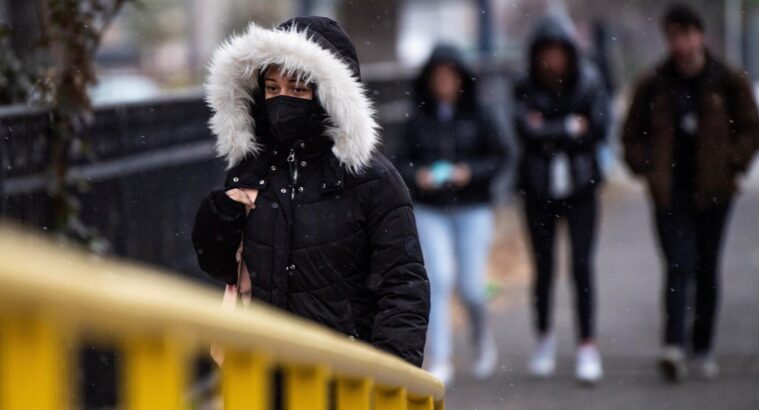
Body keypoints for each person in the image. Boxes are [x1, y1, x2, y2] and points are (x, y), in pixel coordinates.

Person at [192, 16, 430, 368]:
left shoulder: (371, 179)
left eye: (299, 89)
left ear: (328, 94)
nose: (283, 100)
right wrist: (217, 224)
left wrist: (389, 376)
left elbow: (403, 285)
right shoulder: (251, 171)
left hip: (340, 377)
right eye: (272, 89)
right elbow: (227, 271)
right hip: (262, 374)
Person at [622, 4, 759, 383]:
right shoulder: (655, 84)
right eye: (674, 37)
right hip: (671, 193)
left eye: (686, 35)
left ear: (700, 36)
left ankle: (702, 346)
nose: (681, 45)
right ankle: (673, 345)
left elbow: (753, 129)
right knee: (677, 266)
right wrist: (647, 168)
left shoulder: (727, 81)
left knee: (706, 268)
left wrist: (733, 163)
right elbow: (630, 134)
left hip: (715, 192)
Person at [397, 45, 509, 384]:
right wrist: (420, 177)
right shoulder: (417, 119)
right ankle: (441, 358)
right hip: (431, 210)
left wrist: (469, 173)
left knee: (473, 287)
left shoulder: (481, 114)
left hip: (473, 208)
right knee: (439, 279)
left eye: (450, 76)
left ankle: (481, 334)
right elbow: (400, 164)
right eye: (438, 76)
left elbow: (500, 156)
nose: (444, 82)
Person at [513, 15, 609, 384]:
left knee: (582, 267)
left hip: (581, 186)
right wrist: (570, 125)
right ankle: (543, 338)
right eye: (545, 53)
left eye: (558, 52)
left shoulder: (589, 81)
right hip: (537, 189)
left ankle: (587, 344)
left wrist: (549, 129)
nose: (552, 61)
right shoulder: (523, 85)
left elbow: (597, 128)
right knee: (544, 268)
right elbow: (524, 130)